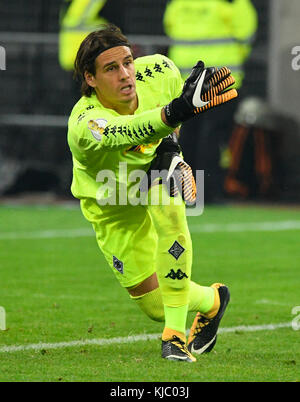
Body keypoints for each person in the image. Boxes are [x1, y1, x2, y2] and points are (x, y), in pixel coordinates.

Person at [67, 24, 237, 362]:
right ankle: (213, 301)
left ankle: (173, 339)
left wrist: (172, 147)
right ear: (90, 78)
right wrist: (175, 113)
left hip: (154, 174)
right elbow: (124, 130)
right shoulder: (85, 123)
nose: (126, 74)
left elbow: (171, 117)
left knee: (171, 213)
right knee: (155, 305)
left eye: (128, 62)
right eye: (111, 69)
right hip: (113, 205)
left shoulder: (160, 70)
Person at [164, 0, 258, 202]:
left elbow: (169, 27)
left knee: (187, 136)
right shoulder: (232, 4)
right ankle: (209, 192)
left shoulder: (179, 4)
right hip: (219, 80)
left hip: (184, 79)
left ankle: (185, 191)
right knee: (213, 137)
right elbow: (247, 34)